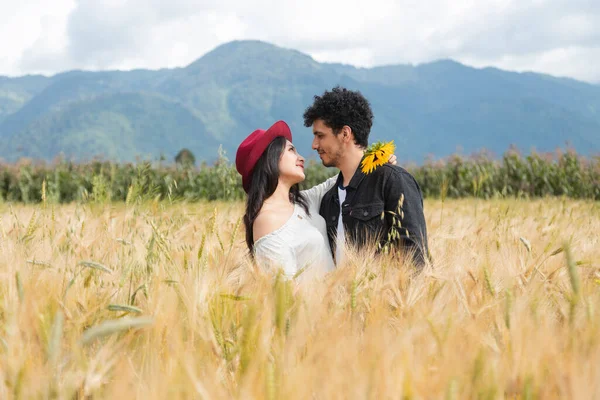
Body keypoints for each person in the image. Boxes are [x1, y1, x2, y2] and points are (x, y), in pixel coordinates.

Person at [235, 120, 397, 280]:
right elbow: (282, 293)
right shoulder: (267, 220)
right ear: (270, 159)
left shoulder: (302, 202)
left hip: (335, 302)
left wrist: (374, 159)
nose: (301, 158)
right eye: (291, 150)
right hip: (313, 305)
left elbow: (343, 177)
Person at [303, 86, 429, 269]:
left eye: (320, 136)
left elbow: (414, 261)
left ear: (345, 134)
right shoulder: (328, 199)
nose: (314, 145)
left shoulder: (392, 181)